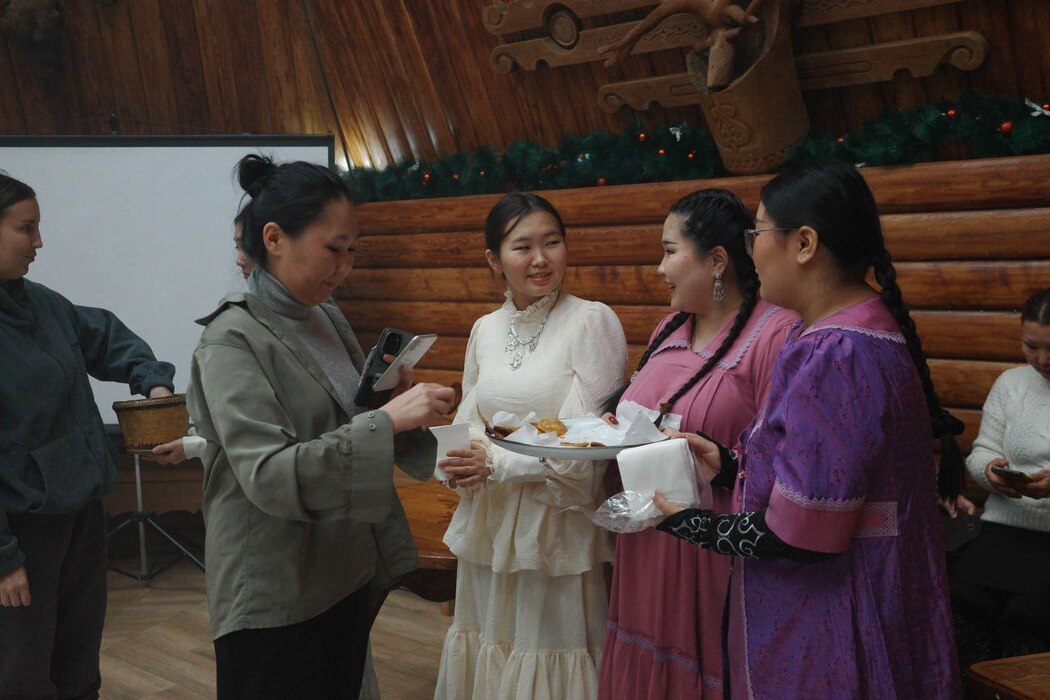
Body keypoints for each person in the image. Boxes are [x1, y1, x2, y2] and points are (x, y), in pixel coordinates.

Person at [653, 160, 964, 697]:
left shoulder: (837, 352)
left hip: (838, 615)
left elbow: (802, 533)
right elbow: (829, 473)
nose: (751, 251)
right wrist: (728, 465)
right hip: (867, 593)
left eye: (757, 233)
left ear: (803, 244)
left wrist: (689, 523)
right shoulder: (846, 329)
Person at [187, 155, 454, 698]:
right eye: (333, 248)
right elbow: (269, 474)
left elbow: (346, 418)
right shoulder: (231, 340)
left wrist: (390, 402)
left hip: (342, 566)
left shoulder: (324, 314)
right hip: (277, 587)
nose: (344, 266)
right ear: (274, 238)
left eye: (352, 250)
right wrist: (385, 421)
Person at [597, 189, 797, 699]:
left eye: (669, 251)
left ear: (717, 261)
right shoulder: (668, 327)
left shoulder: (775, 334)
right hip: (647, 541)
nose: (660, 267)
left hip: (714, 551)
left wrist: (724, 462)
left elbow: (783, 459)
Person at [434, 193, 627, 699]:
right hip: (491, 519)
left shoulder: (591, 320)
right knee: (489, 638)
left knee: (548, 648)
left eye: (552, 243)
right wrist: (457, 459)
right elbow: (468, 418)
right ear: (494, 260)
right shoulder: (484, 328)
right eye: (523, 247)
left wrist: (496, 463)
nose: (541, 259)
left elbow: (587, 442)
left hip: (554, 524)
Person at [0, 172, 176, 698]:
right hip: (22, 532)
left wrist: (153, 380)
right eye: (26, 228)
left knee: (78, 661)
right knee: (23, 671)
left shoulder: (42, 303)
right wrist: (4, 560)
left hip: (80, 512)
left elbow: (108, 339)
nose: (39, 242)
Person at [951, 287, 1050, 671]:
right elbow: (982, 450)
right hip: (1001, 530)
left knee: (1028, 618)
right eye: (1031, 346)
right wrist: (991, 471)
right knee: (963, 602)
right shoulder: (1011, 384)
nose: (1043, 359)